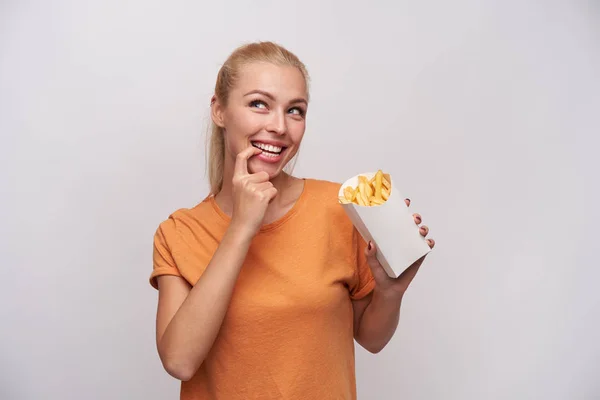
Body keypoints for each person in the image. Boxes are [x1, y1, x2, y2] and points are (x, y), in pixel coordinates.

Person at [149, 41, 435, 400]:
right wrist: (242, 227)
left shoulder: (337, 207)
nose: (280, 126)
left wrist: (391, 293)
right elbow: (179, 361)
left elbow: (371, 338)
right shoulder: (180, 232)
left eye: (295, 111)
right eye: (259, 104)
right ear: (219, 111)